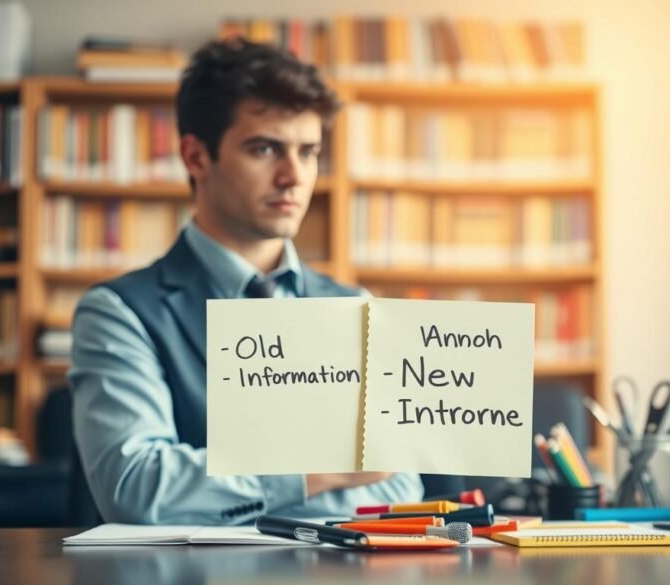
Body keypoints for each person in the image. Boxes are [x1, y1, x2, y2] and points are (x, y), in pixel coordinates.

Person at [69, 38, 423, 525]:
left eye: (308, 152)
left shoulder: (355, 306)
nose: (293, 176)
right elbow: (136, 485)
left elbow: (398, 489)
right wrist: (321, 471)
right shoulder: (119, 312)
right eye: (265, 149)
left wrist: (222, 493)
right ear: (196, 157)